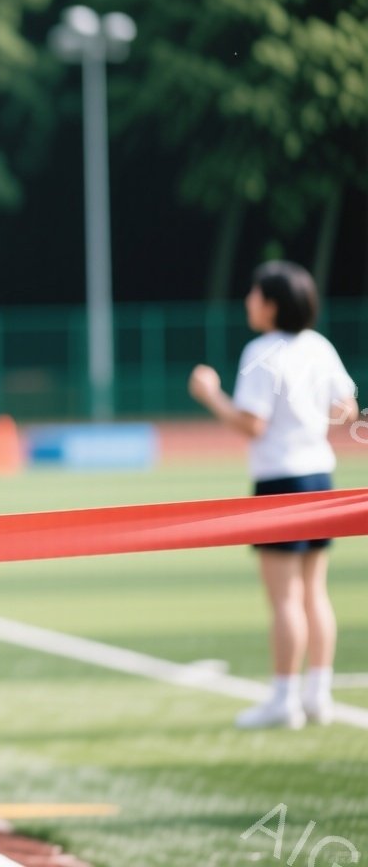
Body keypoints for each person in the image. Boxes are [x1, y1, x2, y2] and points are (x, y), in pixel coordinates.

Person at [189, 261, 358, 729]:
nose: (249, 301)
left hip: (280, 480)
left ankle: (284, 699)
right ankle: (317, 695)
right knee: (314, 592)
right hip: (319, 475)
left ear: (272, 304)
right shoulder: (318, 346)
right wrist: (307, 417)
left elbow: (252, 423)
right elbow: (345, 407)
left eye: (255, 294)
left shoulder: (261, 351)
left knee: (285, 598)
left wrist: (211, 395)